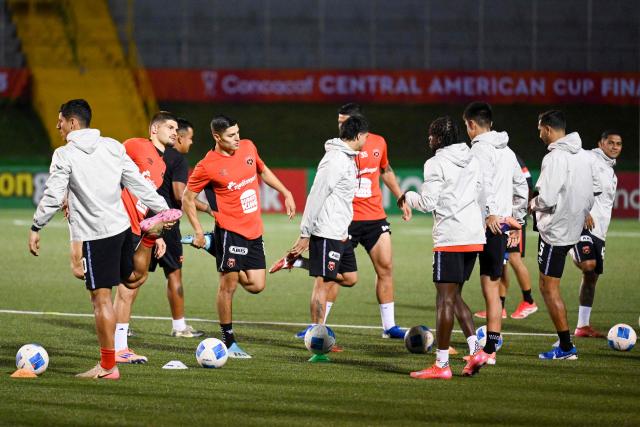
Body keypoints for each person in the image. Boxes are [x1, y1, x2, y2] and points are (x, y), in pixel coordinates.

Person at [28, 99, 176, 380]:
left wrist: (37, 225)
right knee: (131, 278)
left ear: (73, 123)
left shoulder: (64, 154)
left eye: (61, 120)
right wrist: (162, 208)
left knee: (101, 300)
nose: (57, 125)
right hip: (121, 229)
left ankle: (108, 366)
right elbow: (137, 183)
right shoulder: (112, 146)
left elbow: (52, 194)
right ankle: (148, 239)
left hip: (96, 235)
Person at [274, 103, 409, 340]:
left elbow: (386, 169)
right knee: (328, 276)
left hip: (372, 217)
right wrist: (306, 232)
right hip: (340, 223)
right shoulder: (338, 154)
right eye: (338, 121)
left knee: (374, 270)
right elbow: (318, 192)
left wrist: (400, 196)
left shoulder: (375, 143)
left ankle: (389, 326)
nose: (340, 126)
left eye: (344, 121)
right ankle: (317, 331)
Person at [182, 114, 296, 358]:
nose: (237, 138)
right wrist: (199, 231)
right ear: (216, 137)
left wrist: (285, 191)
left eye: (238, 133)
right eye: (231, 135)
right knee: (228, 285)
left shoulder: (248, 147)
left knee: (257, 285)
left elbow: (262, 170)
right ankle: (229, 341)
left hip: (254, 229)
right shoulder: (207, 165)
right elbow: (187, 199)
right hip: (230, 230)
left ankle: (214, 247)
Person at [400, 116, 487, 379]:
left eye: (431, 135)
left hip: (450, 236)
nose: (428, 139)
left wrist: (407, 196)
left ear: (439, 138)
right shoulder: (472, 158)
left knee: (444, 300)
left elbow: (427, 202)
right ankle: (475, 350)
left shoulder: (435, 163)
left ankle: (441, 364)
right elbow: (481, 192)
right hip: (473, 235)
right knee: (455, 295)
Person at [282, 116, 369, 332]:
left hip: (341, 230)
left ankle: (301, 263)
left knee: (349, 278)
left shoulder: (348, 157)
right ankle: (316, 337)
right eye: (366, 136)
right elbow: (316, 195)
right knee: (323, 282)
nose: (368, 139)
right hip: (326, 230)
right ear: (358, 136)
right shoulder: (335, 159)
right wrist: (305, 233)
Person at [112, 111, 180, 364]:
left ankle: (120, 348)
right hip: (119, 223)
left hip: (137, 227)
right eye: (170, 127)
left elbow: (147, 198)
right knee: (123, 282)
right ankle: (114, 349)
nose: (175, 132)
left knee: (131, 285)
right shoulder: (136, 145)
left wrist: (157, 235)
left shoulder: (161, 165)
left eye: (176, 129)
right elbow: (107, 163)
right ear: (154, 130)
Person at [530, 110, 598, 360]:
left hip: (554, 231)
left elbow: (546, 198)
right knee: (551, 285)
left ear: (548, 129)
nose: (539, 135)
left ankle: (566, 346)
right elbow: (594, 191)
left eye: (540, 130)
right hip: (573, 228)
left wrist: (532, 204)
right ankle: (565, 340)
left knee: (548, 288)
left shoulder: (555, 158)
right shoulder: (585, 156)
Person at [463, 102, 527, 364]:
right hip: (500, 227)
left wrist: (489, 211)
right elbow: (521, 186)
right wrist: (517, 220)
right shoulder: (508, 151)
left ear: (472, 125)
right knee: (491, 288)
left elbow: (480, 185)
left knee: (450, 288)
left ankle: (458, 346)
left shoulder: (477, 150)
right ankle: (490, 350)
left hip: (475, 227)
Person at [149, 118, 209, 338]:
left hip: (145, 220)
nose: (191, 142)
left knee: (134, 277)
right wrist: (207, 208)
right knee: (174, 274)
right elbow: (179, 195)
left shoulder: (156, 154)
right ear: (180, 137)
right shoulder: (179, 160)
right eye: (190, 138)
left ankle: (121, 329)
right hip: (167, 223)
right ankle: (180, 327)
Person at [570, 130, 622, 337]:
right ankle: (570, 249)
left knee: (591, 276)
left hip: (599, 231)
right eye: (611, 142)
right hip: (581, 223)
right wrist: (583, 211)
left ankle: (582, 326)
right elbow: (573, 182)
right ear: (601, 143)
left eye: (618, 144)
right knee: (588, 264)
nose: (615, 147)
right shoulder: (589, 158)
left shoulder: (611, 172)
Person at [476, 153, 537, 320]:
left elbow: (527, 182)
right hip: (504, 218)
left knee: (514, 259)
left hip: (511, 219)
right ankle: (500, 306)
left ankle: (529, 301)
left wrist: (520, 212)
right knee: (502, 263)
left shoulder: (509, 156)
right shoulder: (498, 156)